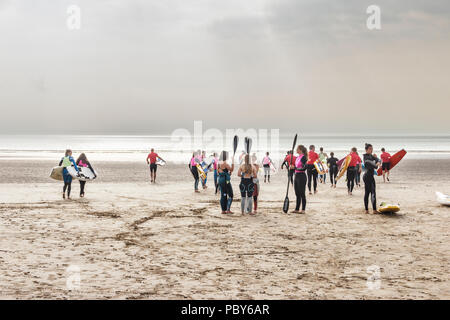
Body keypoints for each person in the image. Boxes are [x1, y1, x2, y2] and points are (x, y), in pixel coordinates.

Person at [363, 143, 381, 214]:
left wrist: (378, 161)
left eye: (372, 149)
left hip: (370, 176)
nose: (372, 150)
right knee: (370, 192)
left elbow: (378, 160)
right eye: (370, 149)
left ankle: (371, 210)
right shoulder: (366, 158)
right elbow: (375, 166)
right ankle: (369, 210)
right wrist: (377, 163)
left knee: (372, 192)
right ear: (366, 150)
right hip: (367, 177)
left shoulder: (371, 156)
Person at [290, 145, 308, 214]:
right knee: (297, 193)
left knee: (302, 193)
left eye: (297, 149)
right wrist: (292, 168)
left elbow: (304, 168)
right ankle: (297, 209)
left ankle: (303, 209)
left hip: (302, 176)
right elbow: (296, 167)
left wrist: (295, 168)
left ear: (300, 150)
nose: (296, 150)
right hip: (296, 176)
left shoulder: (304, 157)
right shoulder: (297, 157)